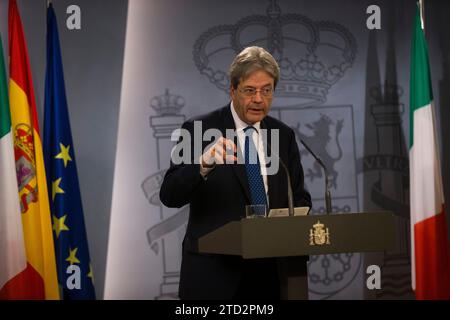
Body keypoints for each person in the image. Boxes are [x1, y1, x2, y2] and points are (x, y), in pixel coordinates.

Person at [159, 46, 311, 300]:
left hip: (270, 276)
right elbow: (169, 194)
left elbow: (299, 198)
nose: (259, 99)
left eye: (267, 90)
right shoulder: (198, 129)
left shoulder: (283, 135)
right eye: (250, 90)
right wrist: (203, 163)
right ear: (233, 90)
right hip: (214, 277)